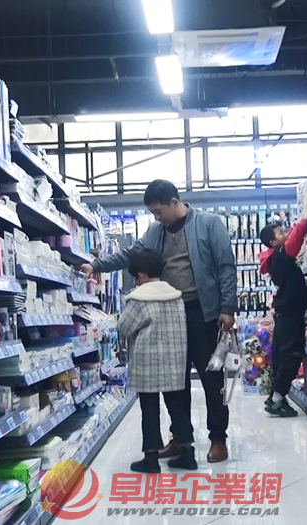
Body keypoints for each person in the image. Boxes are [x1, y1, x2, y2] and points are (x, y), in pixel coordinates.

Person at [81, 180, 236, 463]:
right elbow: (132, 255)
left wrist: (227, 308)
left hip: (203, 314)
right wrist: (97, 265)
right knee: (175, 383)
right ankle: (181, 439)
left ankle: (218, 439)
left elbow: (226, 266)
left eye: (158, 211)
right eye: (153, 212)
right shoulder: (155, 232)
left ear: (174, 203)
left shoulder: (209, 224)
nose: (156, 217)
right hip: (170, 314)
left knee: (212, 380)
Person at [117, 248, 196, 472]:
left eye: (135, 276)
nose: (136, 281)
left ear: (141, 275)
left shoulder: (139, 299)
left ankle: (151, 458)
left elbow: (124, 327)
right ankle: (187, 454)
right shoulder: (176, 296)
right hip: (174, 361)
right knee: (177, 408)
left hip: (147, 362)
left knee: (150, 410)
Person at [258, 204, 307, 417]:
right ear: (273, 242)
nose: (285, 234)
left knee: (283, 355)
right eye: (281, 233)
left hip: (285, 315)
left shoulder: (275, 257)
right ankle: (278, 398)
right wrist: (304, 218)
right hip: (290, 315)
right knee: (291, 354)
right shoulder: (281, 255)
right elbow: (293, 242)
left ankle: (275, 395)